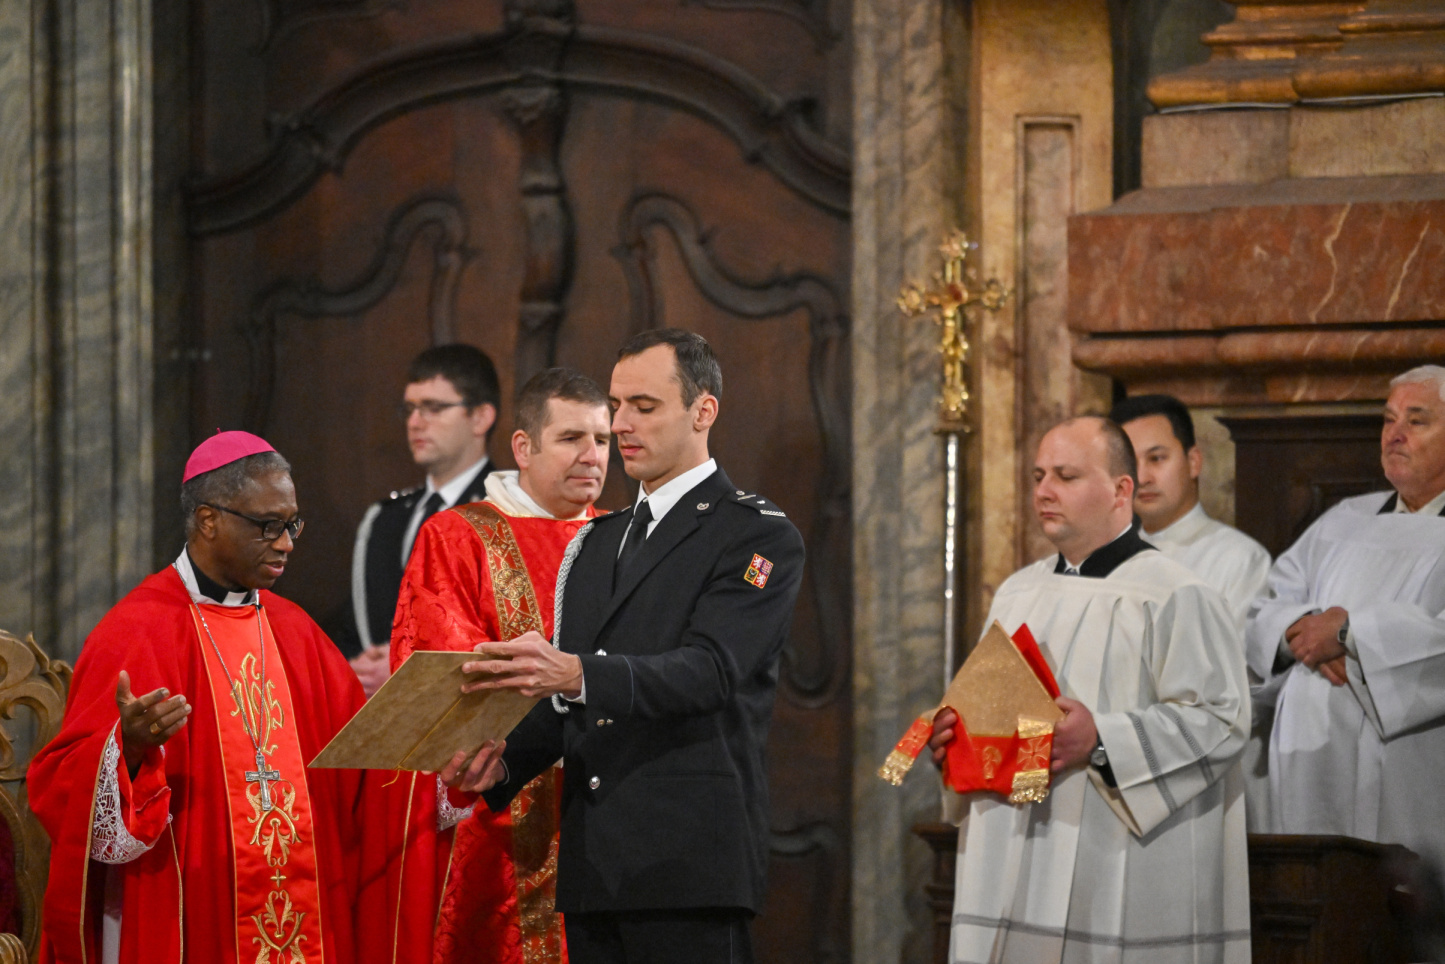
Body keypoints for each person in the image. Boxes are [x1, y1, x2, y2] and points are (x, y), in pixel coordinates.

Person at [442, 329, 805, 964]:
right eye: (616, 405)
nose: (620, 425)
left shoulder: (755, 535)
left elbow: (712, 671)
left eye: (644, 406)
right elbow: (569, 704)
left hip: (688, 862)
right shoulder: (596, 542)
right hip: (595, 865)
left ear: (703, 411)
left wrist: (575, 673)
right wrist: (500, 764)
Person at [31, 432, 367, 964]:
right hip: (189, 912)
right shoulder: (137, 629)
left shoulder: (297, 632)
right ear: (209, 520)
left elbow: (367, 767)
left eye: (292, 524)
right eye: (268, 525)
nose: (286, 543)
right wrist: (127, 751)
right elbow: (59, 782)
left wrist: (444, 756)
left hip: (302, 912)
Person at [929, 416, 1251, 963]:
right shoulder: (1017, 593)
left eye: (1066, 476)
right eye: (1038, 476)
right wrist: (957, 739)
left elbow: (1222, 719)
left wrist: (1102, 740)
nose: (1043, 491)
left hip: (1116, 858)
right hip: (1012, 851)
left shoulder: (1176, 594)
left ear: (1121, 491)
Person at [361, 368, 611, 964]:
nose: (593, 456)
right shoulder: (459, 536)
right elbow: (447, 675)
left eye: (602, 439)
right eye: (571, 438)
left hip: (607, 819)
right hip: (498, 817)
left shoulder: (620, 537)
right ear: (523, 447)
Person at [1246, 364, 1445, 872]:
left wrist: (1351, 637)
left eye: (1417, 420)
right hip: (1307, 759)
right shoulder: (1344, 519)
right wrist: (1302, 631)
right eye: (1389, 419)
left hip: (1410, 767)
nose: (1395, 434)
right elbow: (1266, 604)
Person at [1111, 394, 1273, 829]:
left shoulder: (1238, 559)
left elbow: (1243, 686)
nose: (1143, 476)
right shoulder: (1108, 562)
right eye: (1131, 462)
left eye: (1157, 458)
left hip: (1204, 777)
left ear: (1194, 461)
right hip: (1118, 765)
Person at [345, 344, 500, 696]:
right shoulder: (384, 518)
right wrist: (354, 667)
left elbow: (507, 636)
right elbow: (357, 626)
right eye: (410, 409)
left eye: (434, 408)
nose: (415, 422)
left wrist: (405, 673)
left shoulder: (504, 513)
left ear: (480, 417)